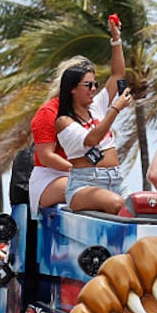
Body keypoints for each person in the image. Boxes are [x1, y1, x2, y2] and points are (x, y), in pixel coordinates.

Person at [54, 35, 132, 214]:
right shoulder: (64, 121)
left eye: (95, 84)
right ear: (72, 88)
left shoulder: (96, 107)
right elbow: (91, 139)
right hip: (85, 184)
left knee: (143, 208)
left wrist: (117, 39)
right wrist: (115, 109)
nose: (94, 89)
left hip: (116, 179)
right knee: (118, 205)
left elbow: (117, 74)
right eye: (88, 85)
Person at [27, 56, 91, 217]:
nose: (93, 88)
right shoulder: (48, 113)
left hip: (78, 175)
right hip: (50, 177)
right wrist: (78, 170)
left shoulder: (87, 113)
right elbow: (46, 157)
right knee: (96, 194)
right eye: (87, 84)